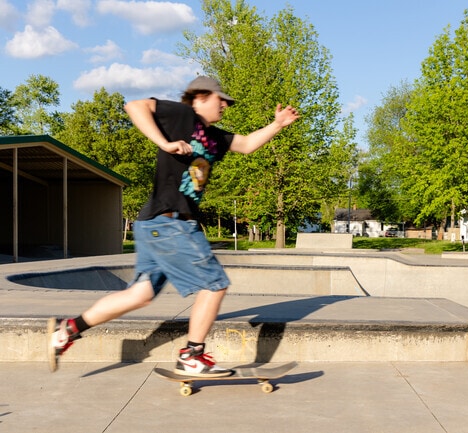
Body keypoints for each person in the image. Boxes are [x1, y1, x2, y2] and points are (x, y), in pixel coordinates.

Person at [47, 76, 300, 376]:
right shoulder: (182, 117)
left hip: (154, 223)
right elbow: (135, 106)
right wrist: (164, 142)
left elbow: (245, 145)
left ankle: (67, 330)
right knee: (214, 284)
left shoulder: (215, 137)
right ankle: (192, 355)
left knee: (139, 295)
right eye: (219, 99)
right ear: (199, 97)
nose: (224, 105)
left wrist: (277, 125)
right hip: (171, 222)